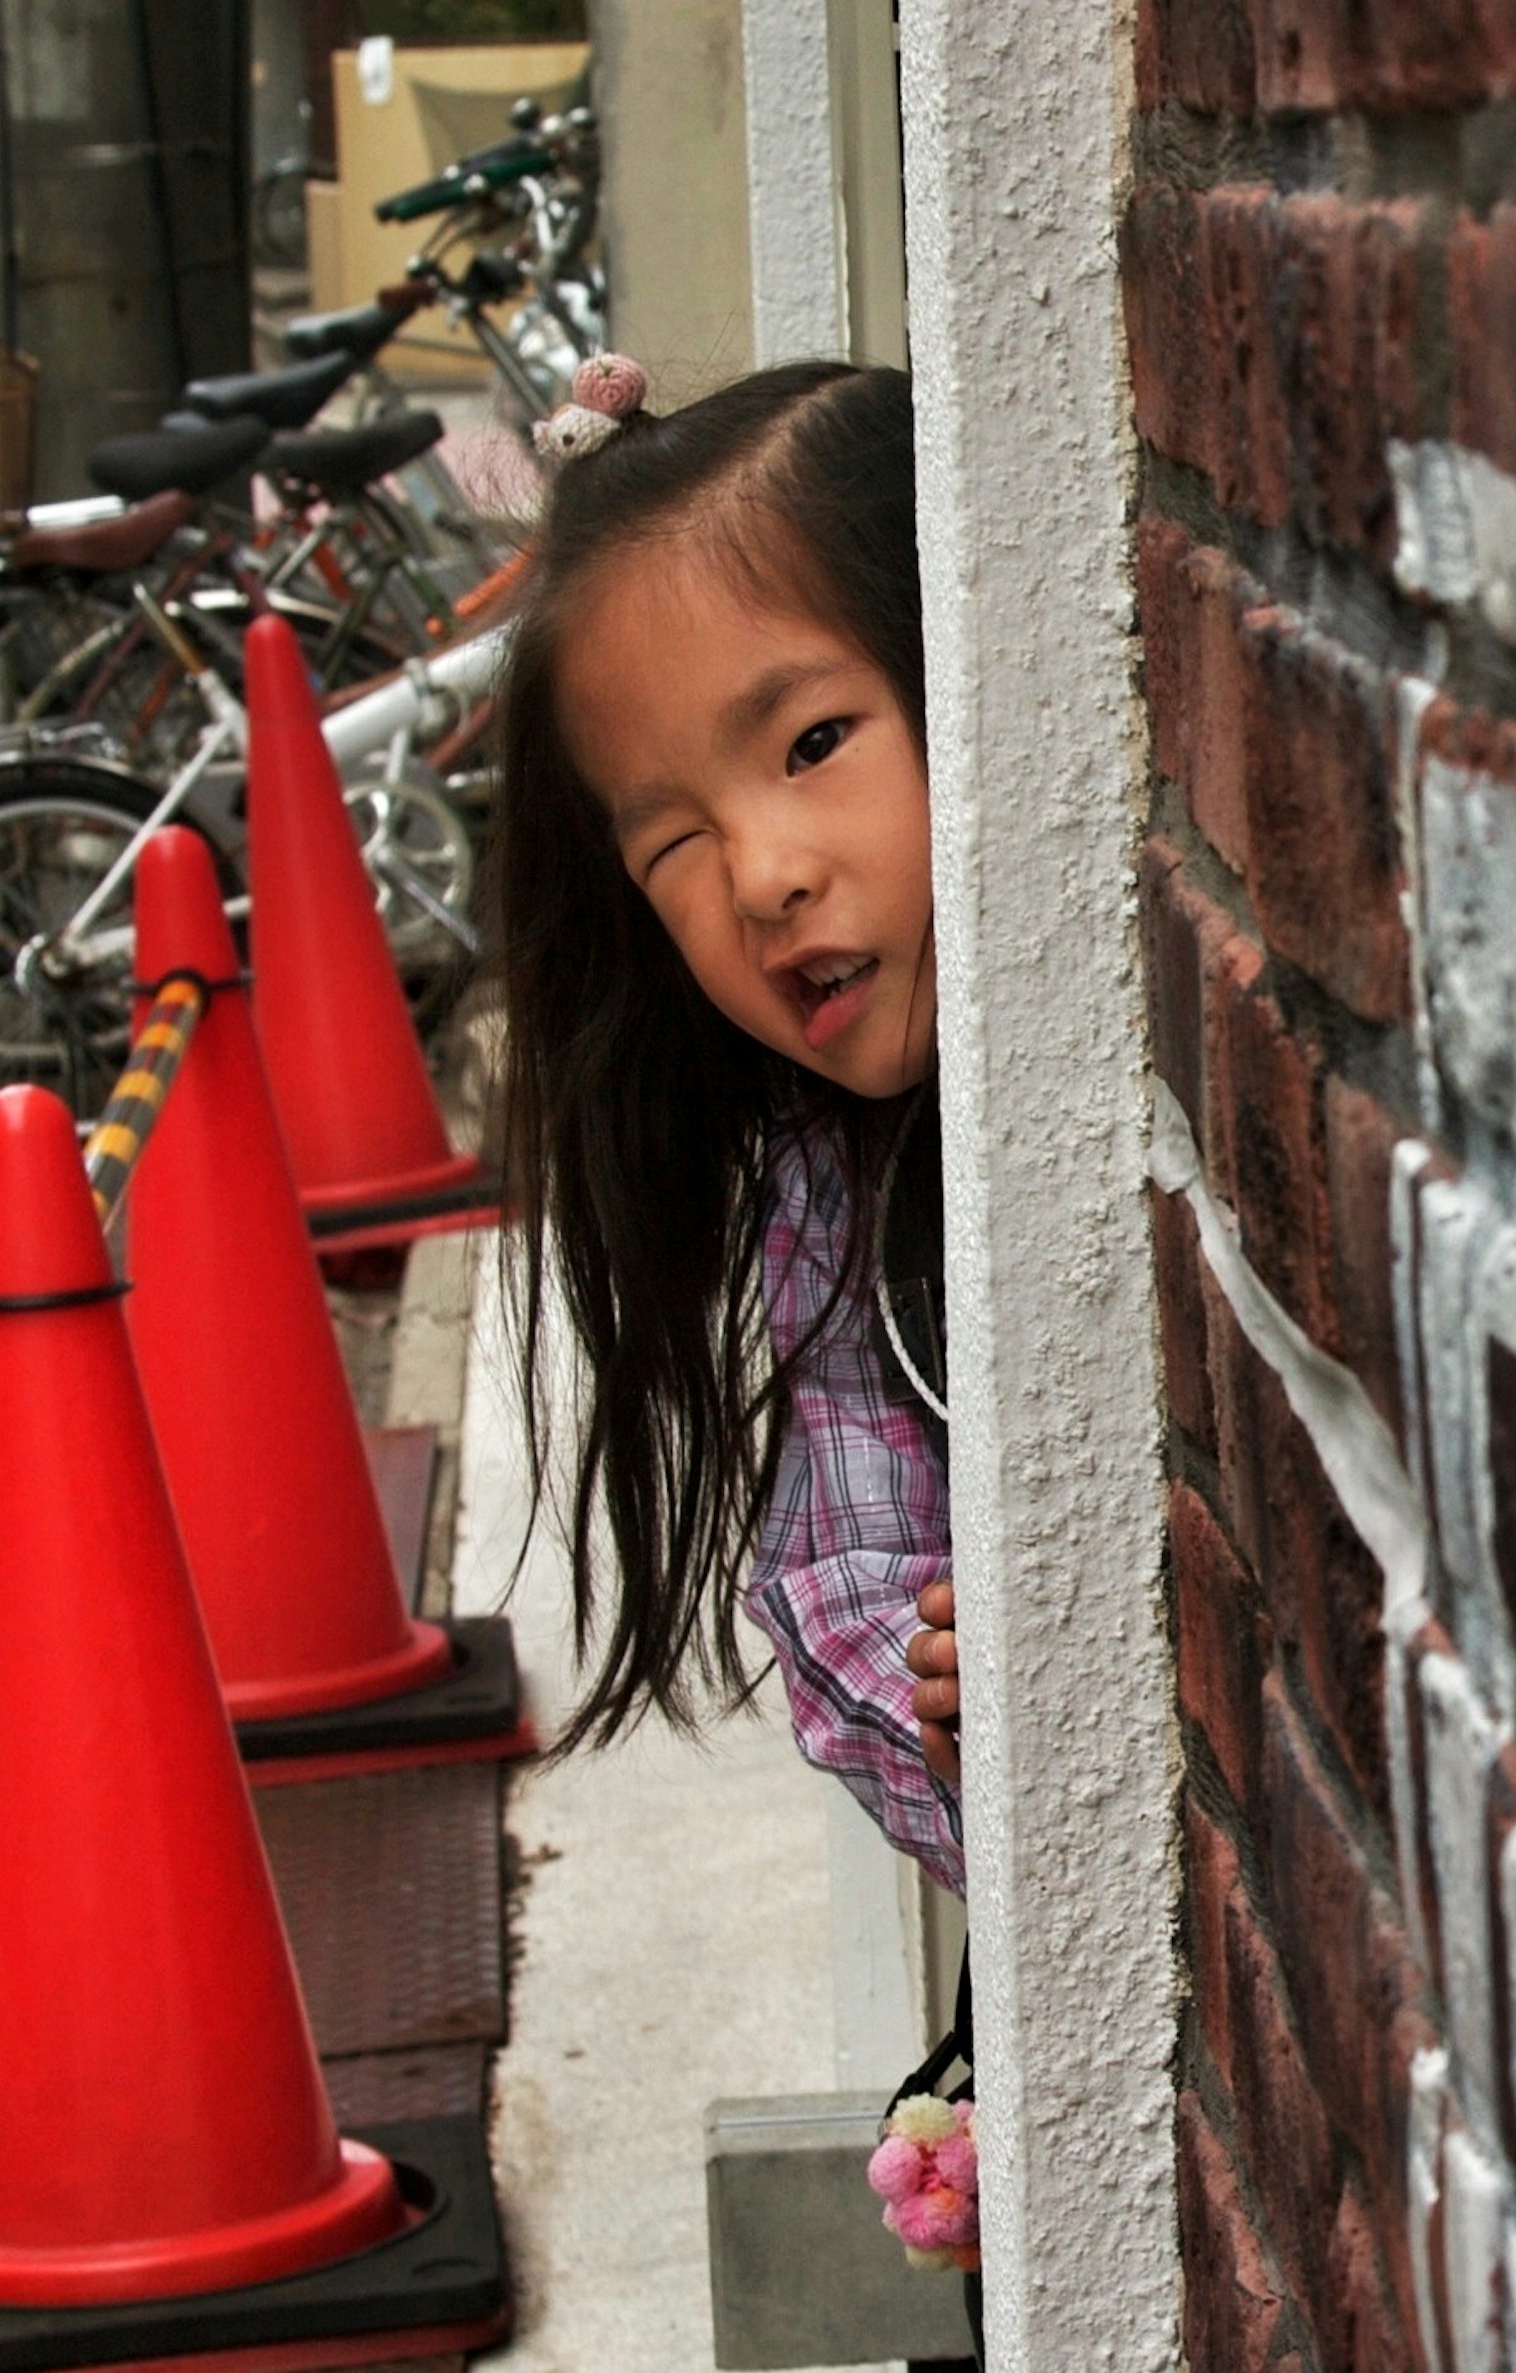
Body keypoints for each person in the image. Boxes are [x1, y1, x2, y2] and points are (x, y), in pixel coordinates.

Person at [483, 355, 966, 1896]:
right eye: (675, 842)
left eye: (815, 742)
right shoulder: (833, 1188)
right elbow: (840, 1586)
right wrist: (951, 1702)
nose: (762, 875)